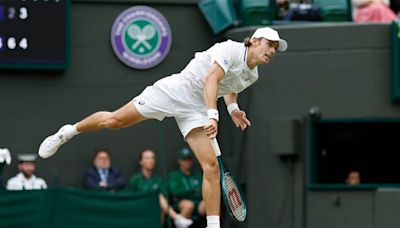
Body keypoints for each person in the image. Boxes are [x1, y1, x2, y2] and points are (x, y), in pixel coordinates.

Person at [38, 26, 287, 228]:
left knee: (211, 167)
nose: (272, 51)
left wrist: (232, 110)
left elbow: (230, 88)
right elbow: (212, 79)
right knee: (113, 121)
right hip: (174, 92)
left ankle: (213, 226)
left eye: (276, 49)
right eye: (270, 44)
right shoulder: (229, 49)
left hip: (196, 109)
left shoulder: (252, 75)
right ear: (255, 41)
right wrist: (214, 115)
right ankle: (68, 131)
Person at [125, 149, 193, 228]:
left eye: (152, 158)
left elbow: (164, 198)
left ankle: (177, 219)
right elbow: (130, 198)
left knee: (160, 203)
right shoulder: (135, 180)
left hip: (156, 209)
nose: (150, 160)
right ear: (141, 162)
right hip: (140, 208)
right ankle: (177, 218)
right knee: (158, 196)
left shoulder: (158, 180)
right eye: (147, 158)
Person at [169, 148, 205, 222]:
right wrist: (193, 190)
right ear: (179, 161)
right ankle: (180, 224)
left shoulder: (197, 175)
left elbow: (202, 191)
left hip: (198, 202)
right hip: (181, 202)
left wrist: (189, 192)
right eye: (185, 160)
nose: (187, 162)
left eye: (189, 159)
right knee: (189, 205)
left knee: (208, 205)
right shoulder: (174, 176)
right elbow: (175, 192)